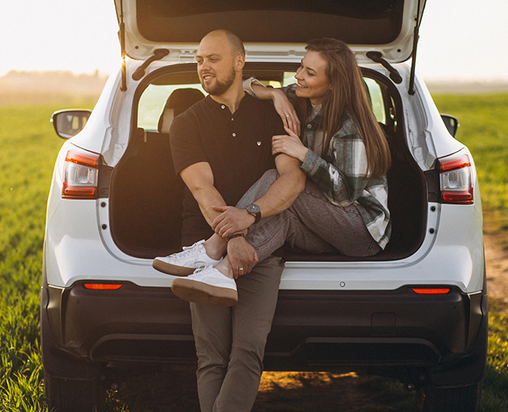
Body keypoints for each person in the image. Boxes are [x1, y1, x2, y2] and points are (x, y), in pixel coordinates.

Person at [155, 29, 306, 412]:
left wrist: (251, 223)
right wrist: (233, 238)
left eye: (213, 59)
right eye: (199, 59)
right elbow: (203, 189)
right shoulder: (188, 122)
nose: (203, 67)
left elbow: (292, 180)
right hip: (205, 251)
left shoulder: (273, 114)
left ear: (240, 62)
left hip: (262, 249)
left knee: (249, 351)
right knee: (212, 357)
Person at [156, 37, 392, 307]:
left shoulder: (351, 128)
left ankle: (212, 246)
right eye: (301, 66)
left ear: (333, 84)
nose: (298, 76)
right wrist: (275, 94)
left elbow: (346, 194)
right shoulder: (300, 96)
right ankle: (222, 273)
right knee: (283, 214)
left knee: (275, 178)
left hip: (360, 230)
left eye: (309, 73)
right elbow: (243, 85)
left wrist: (304, 154)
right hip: (324, 225)